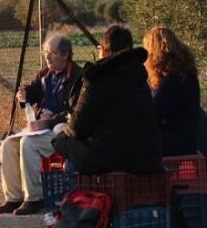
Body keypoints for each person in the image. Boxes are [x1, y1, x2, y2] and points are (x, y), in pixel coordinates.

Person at [52, 24, 163, 174]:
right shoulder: (140, 77)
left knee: (61, 141)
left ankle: (72, 188)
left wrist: (63, 133)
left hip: (109, 159)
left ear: (103, 50)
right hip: (146, 159)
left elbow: (77, 128)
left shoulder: (98, 77)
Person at [0, 33, 84, 216]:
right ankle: (14, 197)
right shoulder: (45, 74)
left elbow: (76, 112)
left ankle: (34, 198)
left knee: (29, 144)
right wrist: (24, 95)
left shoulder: (78, 77)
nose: (47, 57)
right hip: (40, 128)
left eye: (52, 53)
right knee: (8, 144)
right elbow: (33, 91)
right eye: (45, 52)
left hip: (61, 129)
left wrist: (51, 120)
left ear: (65, 55)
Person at [144, 26, 202, 156]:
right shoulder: (186, 76)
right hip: (186, 146)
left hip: (171, 149)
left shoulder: (173, 82)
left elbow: (153, 114)